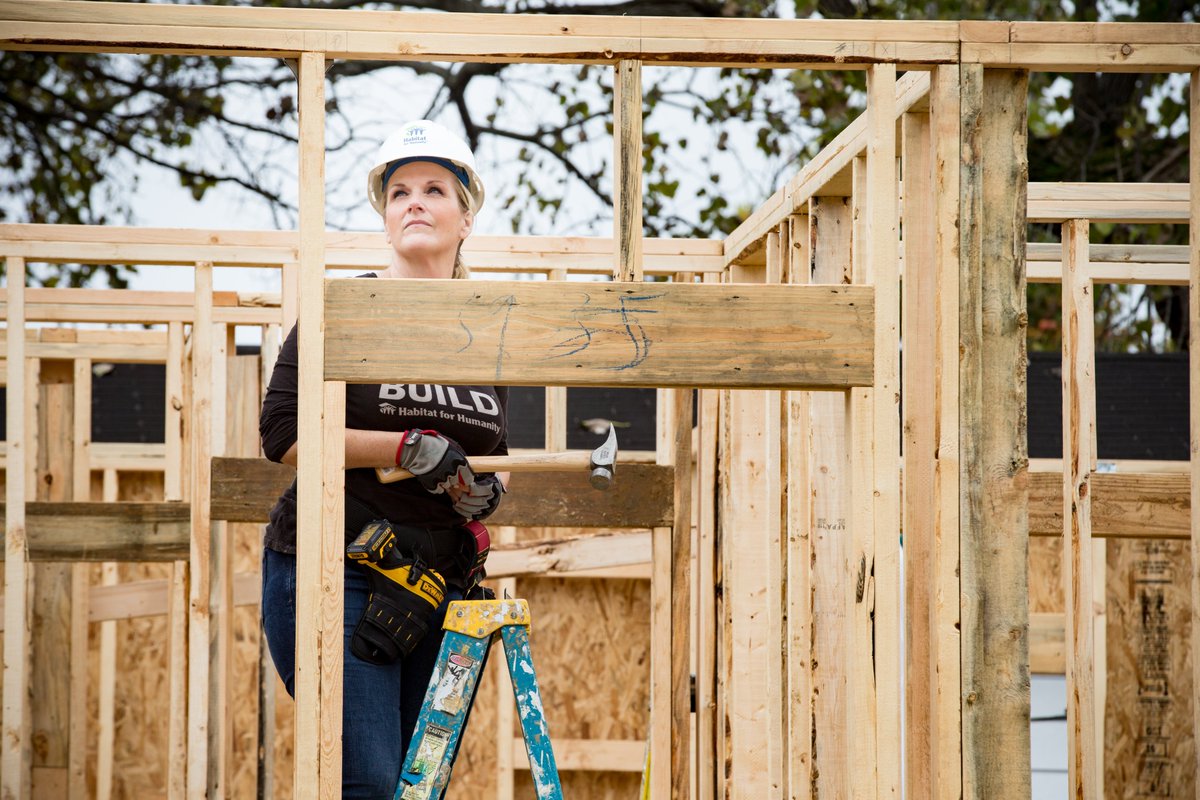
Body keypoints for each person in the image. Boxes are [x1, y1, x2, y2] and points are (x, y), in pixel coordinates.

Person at [259, 119, 509, 798]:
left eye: (434, 189)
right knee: (365, 782)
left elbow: (498, 452)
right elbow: (283, 433)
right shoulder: (344, 312)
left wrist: (483, 495)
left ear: (466, 218)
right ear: (385, 218)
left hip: (440, 583)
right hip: (339, 567)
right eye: (399, 192)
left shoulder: (488, 328)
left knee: (417, 784)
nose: (415, 202)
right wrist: (402, 447)